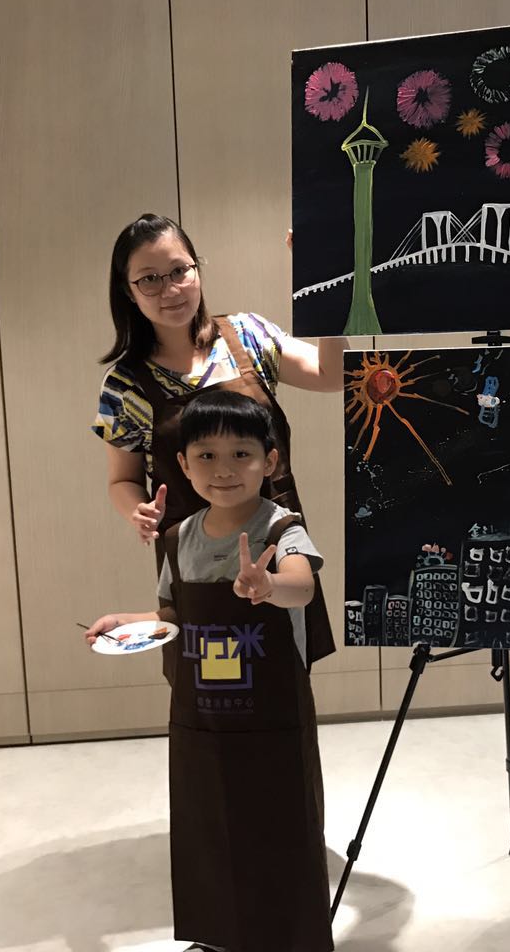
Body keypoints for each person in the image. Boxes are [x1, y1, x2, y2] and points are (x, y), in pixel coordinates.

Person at [85, 389, 333, 952]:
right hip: (201, 720)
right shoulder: (180, 538)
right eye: (207, 456)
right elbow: (173, 614)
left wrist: (268, 585)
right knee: (207, 828)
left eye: (242, 454)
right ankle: (217, 936)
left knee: (280, 824)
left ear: (270, 461)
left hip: (273, 719)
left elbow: (301, 587)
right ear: (183, 464)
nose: (224, 470)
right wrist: (125, 622)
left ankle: (288, 939)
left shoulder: (282, 530)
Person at [91, 213, 344, 678]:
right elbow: (122, 480)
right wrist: (136, 511)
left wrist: (326, 283)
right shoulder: (123, 385)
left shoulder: (248, 336)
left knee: (284, 675)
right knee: (211, 684)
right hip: (195, 557)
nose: (170, 289)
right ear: (128, 291)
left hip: (273, 545)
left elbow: (332, 376)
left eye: (179, 271)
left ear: (197, 269)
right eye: (150, 279)